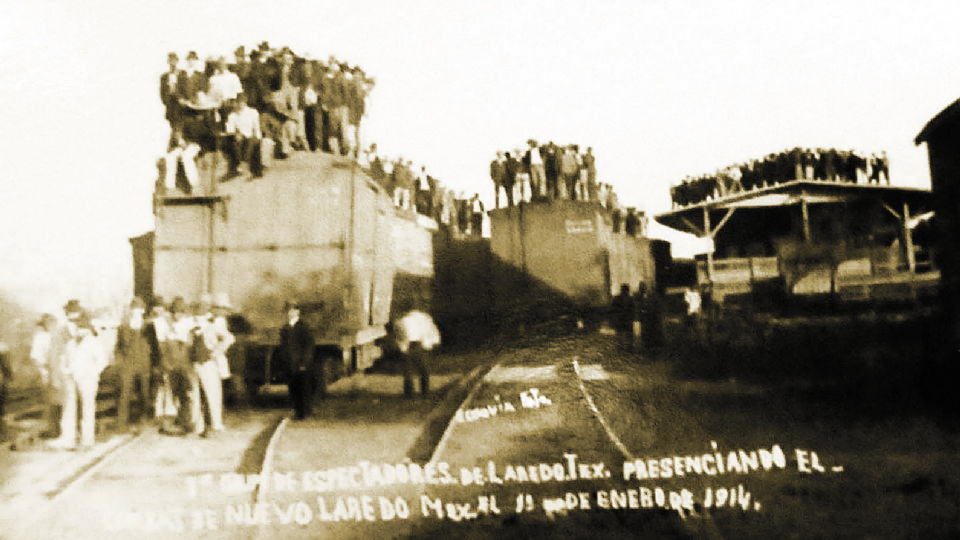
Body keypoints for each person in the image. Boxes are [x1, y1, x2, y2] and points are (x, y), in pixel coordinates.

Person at [51, 302, 109, 449]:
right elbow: (64, 357)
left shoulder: (93, 342)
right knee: (69, 407)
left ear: (88, 329)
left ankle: (87, 439)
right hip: (71, 376)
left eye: (82, 328)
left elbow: (103, 360)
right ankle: (69, 439)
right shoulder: (71, 343)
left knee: (88, 407)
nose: (80, 331)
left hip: (88, 377)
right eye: (78, 328)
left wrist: (94, 372)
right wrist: (65, 370)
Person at [115, 297, 152, 432]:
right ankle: (121, 424)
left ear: (143, 310)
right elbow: (118, 346)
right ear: (131, 310)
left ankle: (144, 419)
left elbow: (154, 347)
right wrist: (120, 362)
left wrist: (153, 364)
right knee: (124, 394)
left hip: (144, 363)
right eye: (134, 309)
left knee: (144, 393)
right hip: (128, 364)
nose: (136, 311)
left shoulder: (149, 326)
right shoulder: (123, 327)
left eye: (139, 309)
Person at [277, 301, 315, 419]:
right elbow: (283, 346)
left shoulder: (303, 327)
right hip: (289, 364)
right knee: (293, 388)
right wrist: (283, 360)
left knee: (303, 387)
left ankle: (303, 413)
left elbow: (309, 345)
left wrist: (304, 362)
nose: (291, 313)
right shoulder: (285, 328)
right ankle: (297, 410)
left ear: (298, 312)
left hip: (301, 363)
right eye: (289, 310)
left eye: (293, 310)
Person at [394, 308, 440, 397]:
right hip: (421, 345)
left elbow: (399, 335)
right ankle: (425, 392)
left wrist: (402, 347)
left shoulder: (401, 320)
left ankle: (409, 393)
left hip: (409, 345)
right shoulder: (425, 318)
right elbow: (432, 331)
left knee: (408, 370)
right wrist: (433, 342)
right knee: (424, 369)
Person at [29, 313, 60, 438]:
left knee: (57, 402)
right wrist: (44, 372)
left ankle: (55, 428)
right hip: (48, 371)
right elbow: (37, 357)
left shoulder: (53, 336)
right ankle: (52, 428)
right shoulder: (40, 337)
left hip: (56, 371)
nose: (53, 325)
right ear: (45, 324)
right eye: (50, 323)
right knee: (51, 402)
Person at [223, 94, 264, 178]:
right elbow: (229, 130)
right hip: (240, 138)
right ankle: (240, 164)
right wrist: (236, 133)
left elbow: (257, 127)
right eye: (237, 103)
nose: (239, 104)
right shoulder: (232, 115)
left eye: (242, 102)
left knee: (252, 141)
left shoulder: (253, 112)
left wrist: (258, 138)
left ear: (245, 102)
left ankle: (244, 163)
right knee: (235, 140)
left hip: (252, 137)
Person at [611, 284, 634, 349]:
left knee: (622, 332)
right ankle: (625, 345)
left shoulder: (617, 298)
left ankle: (622, 344)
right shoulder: (629, 298)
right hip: (624, 318)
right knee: (625, 332)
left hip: (622, 318)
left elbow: (613, 308)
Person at [0, 342, 10, 442]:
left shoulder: (2, 348)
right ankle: (4, 435)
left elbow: (6, 367)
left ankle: (4, 435)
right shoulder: (3, 348)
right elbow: (6, 368)